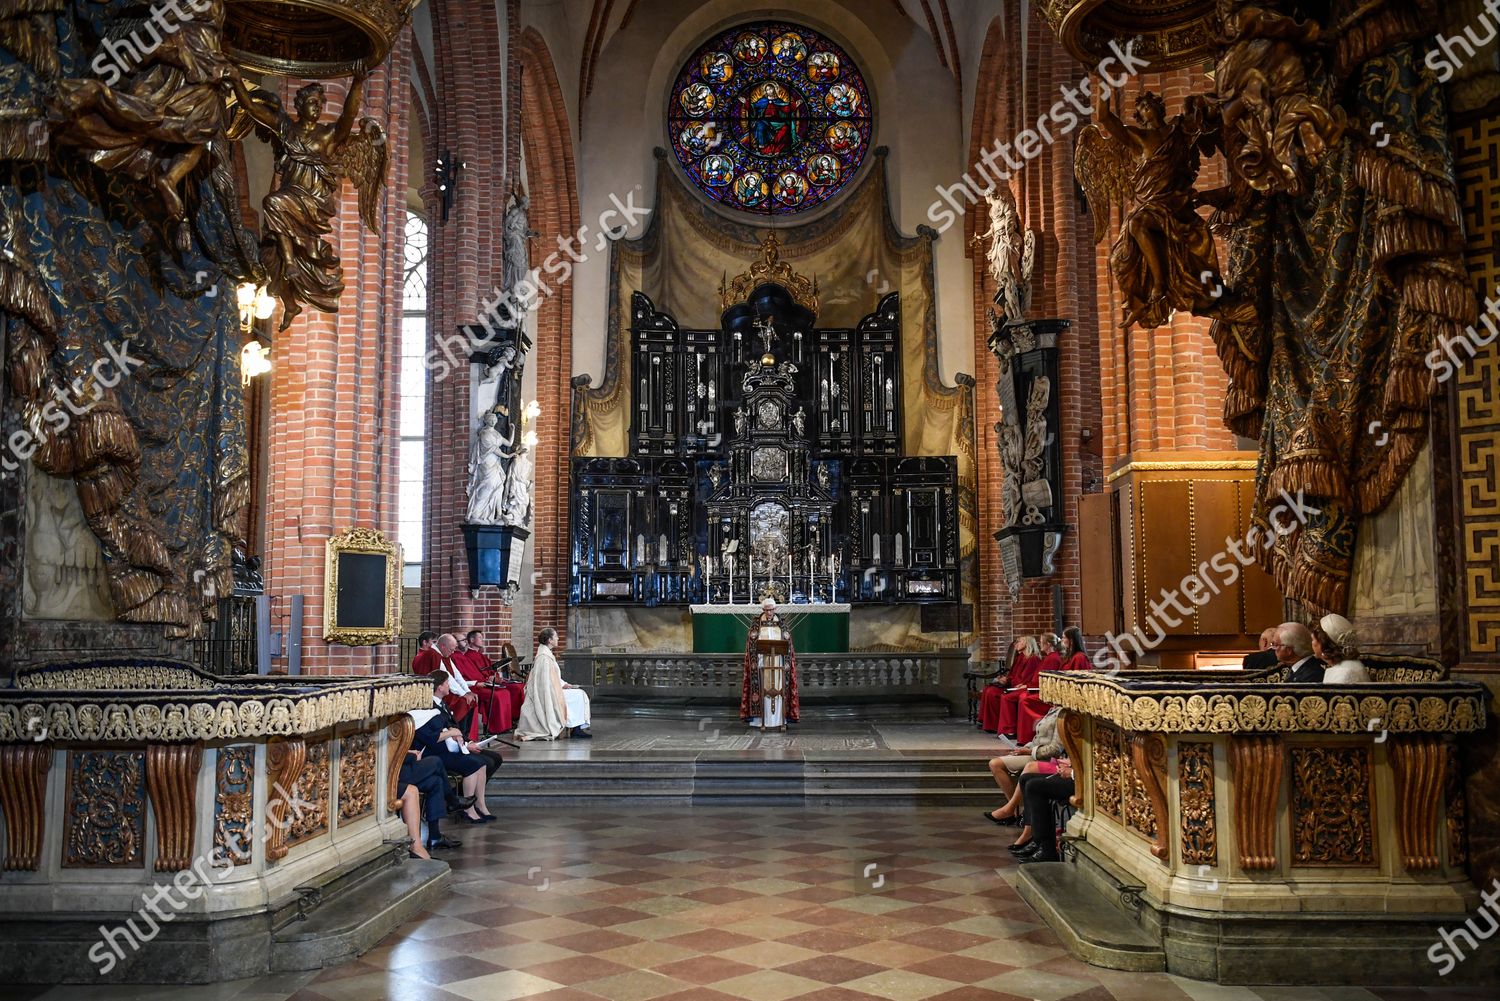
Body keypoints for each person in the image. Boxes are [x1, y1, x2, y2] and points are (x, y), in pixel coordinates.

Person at [412, 672, 497, 825]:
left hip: (446, 747)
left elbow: (450, 725)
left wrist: (458, 737)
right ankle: (467, 809)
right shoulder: (425, 708)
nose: (449, 686)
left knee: (482, 763)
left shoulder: (441, 704)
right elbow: (430, 737)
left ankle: (480, 804)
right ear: (439, 687)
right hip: (434, 752)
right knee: (474, 763)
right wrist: (452, 733)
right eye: (447, 683)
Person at [986, 704, 1064, 827]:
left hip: (1044, 758)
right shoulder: (1052, 710)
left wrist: (1029, 751)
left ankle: (1012, 809)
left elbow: (1055, 749)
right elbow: (1037, 739)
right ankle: (1015, 809)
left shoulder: (1062, 714)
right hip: (1032, 753)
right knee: (995, 764)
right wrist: (1023, 748)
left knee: (999, 764)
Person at [516, 628, 593, 740]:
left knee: (579, 693)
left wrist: (564, 684)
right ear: (549, 640)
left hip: (553, 689)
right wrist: (561, 687)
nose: (558, 638)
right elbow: (545, 681)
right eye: (555, 636)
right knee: (579, 695)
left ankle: (576, 728)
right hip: (548, 694)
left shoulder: (546, 654)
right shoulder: (543, 658)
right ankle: (576, 729)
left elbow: (552, 677)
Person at [739, 597, 801, 724]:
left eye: (771, 610)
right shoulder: (756, 626)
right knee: (762, 689)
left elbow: (788, 644)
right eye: (766, 610)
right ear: (763, 610)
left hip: (778, 663)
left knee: (779, 688)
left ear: (775, 609)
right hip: (762, 662)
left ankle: (779, 720)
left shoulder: (782, 625)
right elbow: (751, 645)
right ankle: (761, 720)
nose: (769, 613)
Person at [999, 634, 1060, 742]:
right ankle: (1013, 731)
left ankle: (1020, 733)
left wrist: (1027, 685)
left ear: (1048, 644)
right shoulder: (1048, 657)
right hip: (1032, 687)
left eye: (1041, 641)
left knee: (1022, 699)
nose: (1039, 643)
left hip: (1039, 690)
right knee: (1012, 695)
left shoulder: (1052, 658)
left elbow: (1043, 680)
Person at [1014, 759, 1075, 864]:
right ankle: (1036, 839)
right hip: (1077, 773)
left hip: (1083, 782)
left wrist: (1072, 772)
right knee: (1025, 778)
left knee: (1034, 786)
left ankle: (1046, 849)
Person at [978, 637, 1029, 733]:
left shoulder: (1031, 659)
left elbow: (1024, 678)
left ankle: (997, 725)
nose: (1016, 644)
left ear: (1027, 644)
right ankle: (988, 723)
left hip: (1018, 687)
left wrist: (1008, 681)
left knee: (993, 693)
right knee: (988, 689)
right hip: (1013, 684)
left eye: (1019, 642)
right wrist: (1005, 679)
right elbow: (1013, 674)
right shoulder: (1020, 657)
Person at [1315, 613, 1371, 683]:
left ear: (1324, 644)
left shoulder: (1343, 673)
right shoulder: (1348, 666)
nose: (1311, 642)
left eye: (1313, 639)